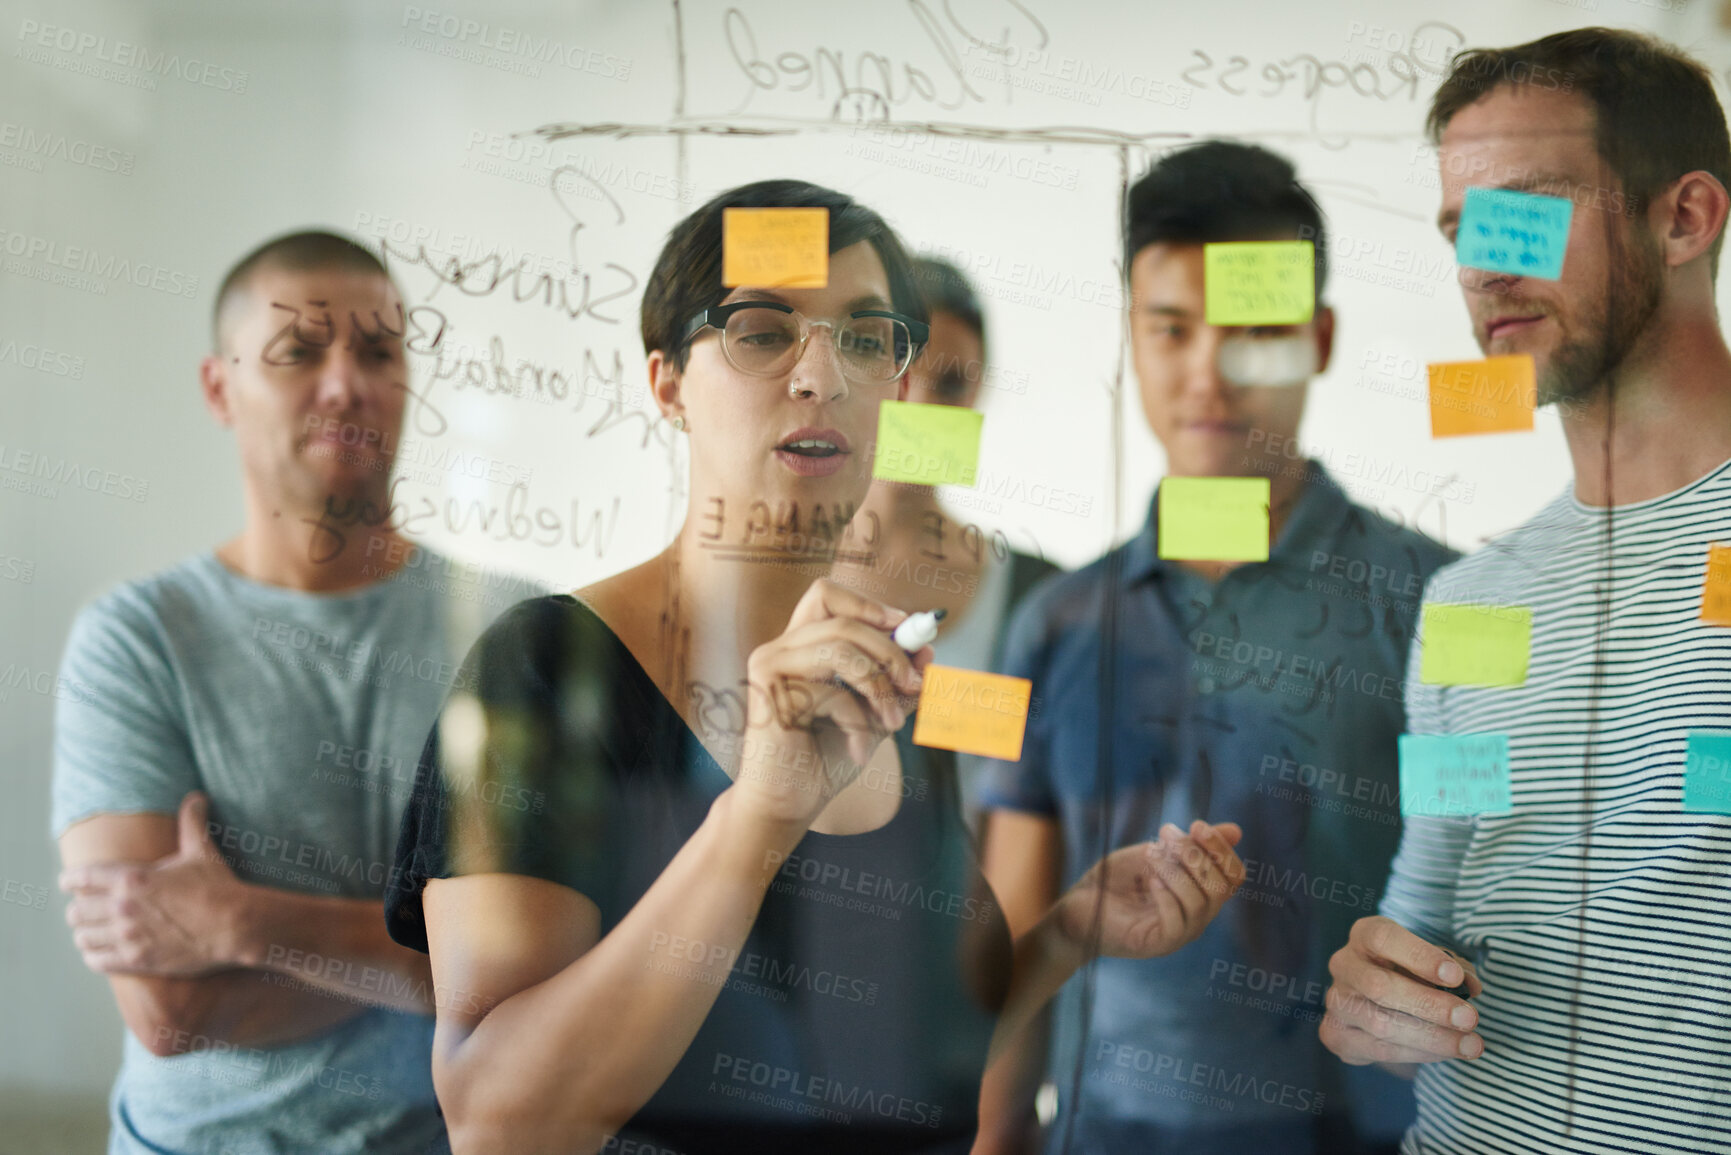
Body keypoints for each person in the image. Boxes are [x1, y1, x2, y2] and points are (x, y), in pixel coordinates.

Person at [383, 179, 1247, 1155]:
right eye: (762, 331)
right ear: (665, 382)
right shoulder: (545, 666)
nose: (823, 374)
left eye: (867, 338)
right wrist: (758, 815)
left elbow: (919, 1055)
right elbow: (499, 1124)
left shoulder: (885, 668)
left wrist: (1064, 935)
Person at [974, 142, 1456, 1155]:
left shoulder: (1441, 603)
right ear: (1131, 343)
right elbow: (1014, 950)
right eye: (1172, 329)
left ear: (1319, 338)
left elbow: (1509, 901)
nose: (1210, 373)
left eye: (1257, 331)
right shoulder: (1057, 624)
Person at [1319, 27, 1731, 1154]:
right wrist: (1373, 995)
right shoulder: (1470, 604)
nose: (1482, 266)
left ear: (1684, 218)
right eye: (1462, 231)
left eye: (1526, 211)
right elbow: (1430, 898)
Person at [51, 230, 540, 1154]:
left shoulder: (513, 628)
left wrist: (246, 921)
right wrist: (440, 956)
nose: (345, 383)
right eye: (298, 351)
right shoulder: (135, 639)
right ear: (217, 388)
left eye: (379, 352)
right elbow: (170, 1007)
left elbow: (537, 965)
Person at [831, 256, 1061, 820]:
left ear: (979, 392)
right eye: (902, 375)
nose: (925, 402)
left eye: (952, 382)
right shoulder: (776, 572)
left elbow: (1056, 781)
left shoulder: (1041, 592)